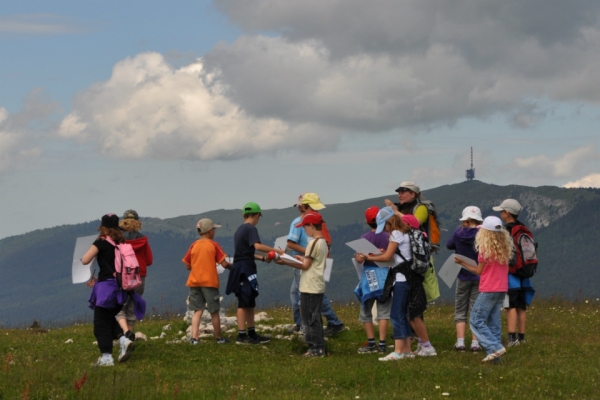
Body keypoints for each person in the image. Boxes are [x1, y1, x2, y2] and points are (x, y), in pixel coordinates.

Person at [359, 207, 436, 360]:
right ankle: (406, 350)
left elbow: (388, 256)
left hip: (401, 279)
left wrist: (369, 257)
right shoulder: (407, 232)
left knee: (396, 314)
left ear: (389, 222)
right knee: (405, 314)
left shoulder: (396, 233)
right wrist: (378, 254)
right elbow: (396, 255)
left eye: (385, 226)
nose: (386, 230)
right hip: (410, 277)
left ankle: (399, 351)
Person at [82, 214, 144, 367]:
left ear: (103, 227)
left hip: (106, 290)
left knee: (100, 324)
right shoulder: (121, 242)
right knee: (109, 320)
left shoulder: (101, 242)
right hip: (120, 289)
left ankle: (106, 357)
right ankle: (124, 340)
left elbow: (85, 260)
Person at [455, 216, 514, 363]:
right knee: (494, 322)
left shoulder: (484, 249)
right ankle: (496, 360)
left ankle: (495, 347)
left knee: (476, 320)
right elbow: (505, 270)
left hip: (488, 288)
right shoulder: (505, 249)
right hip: (501, 288)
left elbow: (479, 271)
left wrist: (462, 262)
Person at [225, 202, 284, 345]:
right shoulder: (251, 229)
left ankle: (252, 333)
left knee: (250, 301)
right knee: (243, 302)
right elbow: (257, 246)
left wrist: (263, 258)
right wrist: (277, 251)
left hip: (242, 266)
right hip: (245, 269)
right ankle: (242, 335)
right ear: (257, 215)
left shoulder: (239, 230)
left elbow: (246, 252)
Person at [286, 193, 345, 337]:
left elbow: (324, 241)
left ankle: (320, 324)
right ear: (305, 207)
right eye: (314, 208)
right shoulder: (302, 222)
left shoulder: (317, 222)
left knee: (312, 293)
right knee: (297, 294)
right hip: (313, 260)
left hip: (309, 262)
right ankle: (301, 323)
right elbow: (326, 242)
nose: (317, 212)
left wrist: (310, 252)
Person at [277, 212, 329, 357]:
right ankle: (316, 347)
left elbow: (306, 266)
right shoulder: (323, 242)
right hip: (316, 284)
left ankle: (316, 348)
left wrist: (287, 261)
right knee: (314, 316)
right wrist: (302, 258)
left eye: (305, 227)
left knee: (310, 318)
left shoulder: (312, 242)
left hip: (310, 285)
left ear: (311, 226)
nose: (304, 230)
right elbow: (312, 261)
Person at [182, 218, 232, 344]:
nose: (214, 231)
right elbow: (224, 264)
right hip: (209, 282)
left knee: (197, 310)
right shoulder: (213, 245)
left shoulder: (193, 245)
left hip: (194, 282)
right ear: (209, 231)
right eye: (214, 229)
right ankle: (219, 338)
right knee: (214, 311)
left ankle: (194, 338)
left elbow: (188, 265)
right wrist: (234, 267)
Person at [493, 199, 535, 347]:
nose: (500, 213)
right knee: (521, 307)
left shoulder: (506, 231)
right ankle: (522, 337)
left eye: (501, 211)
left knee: (510, 306)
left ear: (507, 213)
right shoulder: (524, 228)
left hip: (511, 275)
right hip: (524, 275)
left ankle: (511, 338)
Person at [354, 206, 391, 354]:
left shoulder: (364, 238)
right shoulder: (389, 236)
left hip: (369, 275)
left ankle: (371, 343)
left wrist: (367, 254)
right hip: (385, 274)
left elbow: (358, 259)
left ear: (367, 221)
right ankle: (382, 343)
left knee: (366, 310)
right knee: (383, 312)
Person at [446, 206, 483, 352]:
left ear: (465, 220)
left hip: (462, 275)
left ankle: (460, 342)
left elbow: (449, 245)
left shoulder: (458, 232)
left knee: (460, 308)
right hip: (479, 275)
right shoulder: (482, 234)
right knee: (475, 309)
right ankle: (475, 343)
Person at [115, 209, 153, 342]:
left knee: (118, 306)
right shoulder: (143, 240)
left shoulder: (118, 239)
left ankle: (123, 337)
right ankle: (129, 338)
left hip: (122, 277)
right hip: (139, 276)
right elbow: (149, 261)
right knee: (132, 307)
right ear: (138, 223)